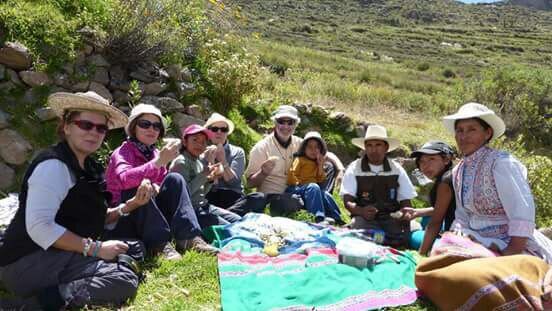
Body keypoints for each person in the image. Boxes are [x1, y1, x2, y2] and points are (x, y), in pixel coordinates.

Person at [0, 92, 142, 310]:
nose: (94, 132)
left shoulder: (88, 167)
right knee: (122, 280)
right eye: (85, 124)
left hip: (61, 251)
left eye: (101, 128)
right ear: (66, 126)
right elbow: (41, 227)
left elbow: (87, 218)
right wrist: (96, 249)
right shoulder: (53, 167)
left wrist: (130, 205)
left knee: (135, 248)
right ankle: (27, 305)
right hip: (28, 261)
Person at [442, 102, 552, 262]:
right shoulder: (458, 170)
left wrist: (511, 252)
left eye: (472, 129)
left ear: (487, 133)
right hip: (474, 239)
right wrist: (458, 237)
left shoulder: (502, 163)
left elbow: (521, 211)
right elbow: (462, 215)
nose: (463, 136)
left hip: (509, 243)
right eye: (459, 130)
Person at [105, 104, 218, 258]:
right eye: (145, 124)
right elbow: (124, 180)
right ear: (133, 128)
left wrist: (157, 185)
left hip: (152, 213)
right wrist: (157, 163)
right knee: (139, 186)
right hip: (125, 215)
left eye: (156, 126)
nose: (151, 129)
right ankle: (160, 244)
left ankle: (189, 237)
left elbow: (161, 180)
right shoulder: (123, 152)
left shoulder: (156, 153)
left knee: (175, 178)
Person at [244, 105, 344, 213]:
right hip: (274, 196)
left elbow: (326, 154)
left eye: (290, 122)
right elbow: (249, 184)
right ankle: (317, 206)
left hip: (298, 190)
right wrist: (262, 173)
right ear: (275, 123)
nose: (286, 126)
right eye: (281, 121)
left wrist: (340, 169)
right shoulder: (261, 148)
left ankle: (320, 199)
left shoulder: (300, 143)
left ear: (295, 124)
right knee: (292, 202)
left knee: (328, 166)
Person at [340, 124, 417, 247]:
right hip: (365, 220)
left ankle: (388, 239)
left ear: (386, 148)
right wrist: (361, 211)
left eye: (378, 145)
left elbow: (405, 200)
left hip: (391, 217)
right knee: (359, 226)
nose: (373, 149)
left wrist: (405, 215)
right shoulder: (354, 168)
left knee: (410, 231)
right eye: (369, 145)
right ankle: (385, 239)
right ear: (365, 148)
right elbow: (347, 200)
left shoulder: (396, 169)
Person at [170, 124, 242, 229]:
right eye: (195, 140)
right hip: (191, 210)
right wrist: (204, 175)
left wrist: (210, 180)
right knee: (230, 228)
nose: (199, 144)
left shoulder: (198, 162)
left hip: (204, 206)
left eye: (203, 142)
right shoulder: (181, 162)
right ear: (185, 142)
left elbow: (201, 192)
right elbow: (183, 194)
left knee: (238, 220)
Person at [203, 112, 265, 215]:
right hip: (210, 196)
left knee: (258, 198)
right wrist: (211, 161)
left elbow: (234, 183)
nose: (219, 132)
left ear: (227, 132)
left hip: (233, 197)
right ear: (208, 132)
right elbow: (209, 186)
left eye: (223, 129)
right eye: (215, 129)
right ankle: (228, 216)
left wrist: (223, 160)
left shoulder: (237, 151)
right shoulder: (202, 152)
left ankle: (224, 215)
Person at [401, 140, 456, 255]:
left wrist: (421, 255)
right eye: (422, 161)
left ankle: (421, 236)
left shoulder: (445, 182)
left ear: (446, 159)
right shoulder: (452, 175)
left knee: (411, 236)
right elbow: (444, 207)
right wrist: (418, 212)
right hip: (458, 227)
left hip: (456, 238)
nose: (426, 165)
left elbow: (435, 223)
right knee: (425, 219)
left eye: (432, 159)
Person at [286, 131, 343, 224]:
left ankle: (337, 218)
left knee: (325, 193)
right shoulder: (300, 160)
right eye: (310, 147)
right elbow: (292, 173)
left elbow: (321, 179)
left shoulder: (317, 163)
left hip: (311, 190)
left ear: (321, 150)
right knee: (313, 186)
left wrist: (320, 165)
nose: (313, 150)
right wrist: (297, 183)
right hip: (296, 188)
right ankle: (318, 217)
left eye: (317, 147)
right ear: (304, 149)